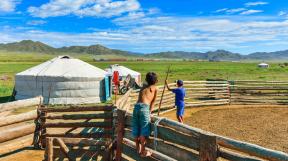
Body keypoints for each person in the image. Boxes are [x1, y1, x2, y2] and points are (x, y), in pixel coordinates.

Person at [132, 72, 158, 157]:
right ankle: (143, 151)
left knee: (136, 127)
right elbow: (153, 102)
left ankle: (137, 148)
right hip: (144, 108)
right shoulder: (155, 88)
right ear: (155, 80)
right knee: (144, 129)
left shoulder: (143, 87)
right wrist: (149, 112)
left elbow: (145, 83)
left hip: (136, 107)